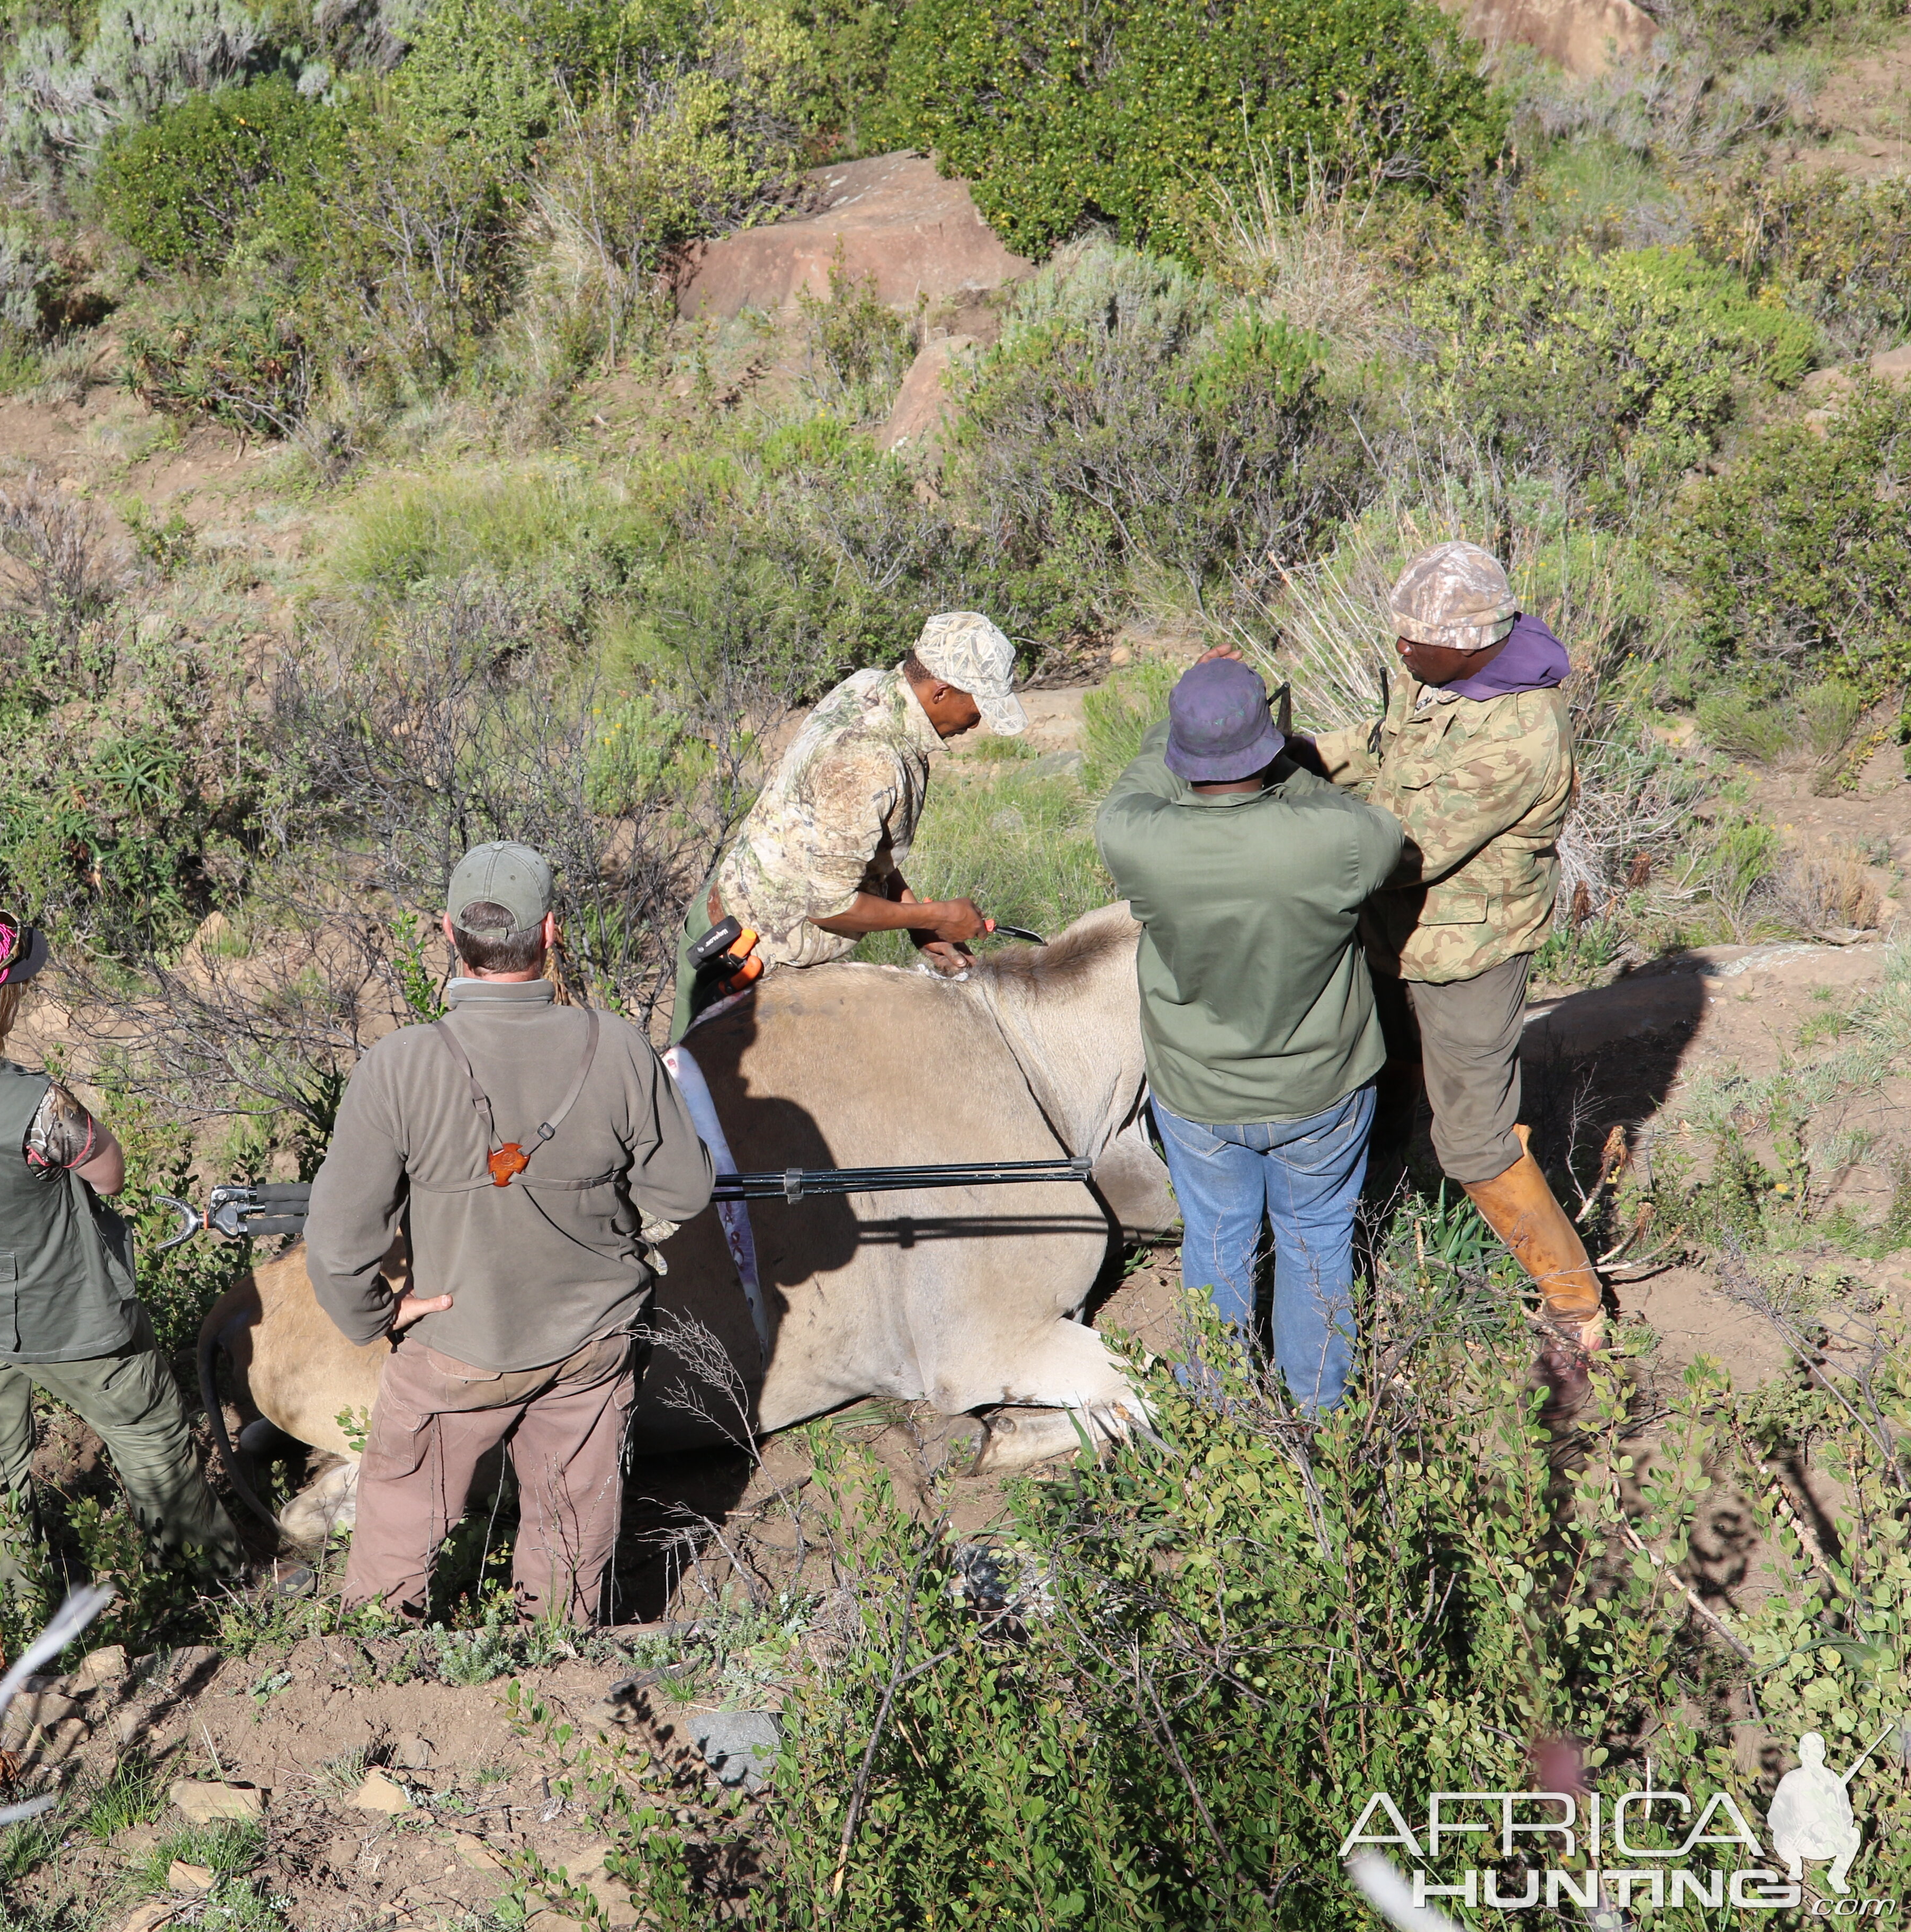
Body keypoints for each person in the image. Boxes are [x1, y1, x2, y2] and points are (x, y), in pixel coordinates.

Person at [306, 843, 714, 1625]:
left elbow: (338, 1243)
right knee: (570, 1531)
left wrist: (376, 1315)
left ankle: (378, 1661)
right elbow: (686, 1190)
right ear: (550, 933)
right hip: (592, 1342)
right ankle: (554, 1658)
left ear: (449, 934)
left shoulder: (399, 1066)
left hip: (457, 1343)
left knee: (398, 1521)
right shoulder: (618, 1046)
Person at [0, 912, 243, 1590]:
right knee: (150, 1430)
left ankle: (9, 1609)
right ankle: (203, 1585)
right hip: (63, 1314)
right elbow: (110, 1172)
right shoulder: (37, 1106)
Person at [1300, 541, 1603, 1357]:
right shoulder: (1436, 673)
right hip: (1390, 935)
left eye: (1412, 640)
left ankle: (1574, 1301)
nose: (1398, 651)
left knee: (1473, 1136)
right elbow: (1383, 743)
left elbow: (1406, 851)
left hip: (1466, 952)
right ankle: (1381, 1208)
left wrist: (1285, 843)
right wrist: (1305, 757)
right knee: (1385, 1075)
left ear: (1472, 643)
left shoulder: (1520, 737)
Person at [1096, 659, 1405, 1412]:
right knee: (1318, 1244)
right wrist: (1284, 760)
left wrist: (1188, 727)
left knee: (1217, 1245)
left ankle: (1224, 1413)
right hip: (1322, 1090)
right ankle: (1321, 1415)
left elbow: (1143, 778)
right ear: (1266, 746)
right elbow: (1379, 830)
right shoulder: (1338, 840)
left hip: (1199, 1092)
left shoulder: (1135, 839)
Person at [669, 611, 1029, 1039]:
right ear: (941, 691)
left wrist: (921, 924)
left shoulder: (872, 688)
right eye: (979, 706)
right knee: (694, 1101)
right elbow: (831, 907)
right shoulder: (868, 762)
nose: (978, 721)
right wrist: (937, 915)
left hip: (758, 948)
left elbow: (861, 847)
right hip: (742, 968)